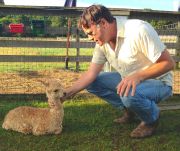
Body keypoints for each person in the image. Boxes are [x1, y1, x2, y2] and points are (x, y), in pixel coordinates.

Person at [62, 5, 175, 138]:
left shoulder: (139, 30)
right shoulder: (102, 43)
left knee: (128, 93)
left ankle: (151, 119)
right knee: (93, 83)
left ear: (103, 23)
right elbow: (91, 74)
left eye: (91, 33)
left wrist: (137, 77)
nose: (90, 38)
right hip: (130, 80)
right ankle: (130, 109)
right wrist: (67, 93)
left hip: (159, 83)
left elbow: (168, 63)